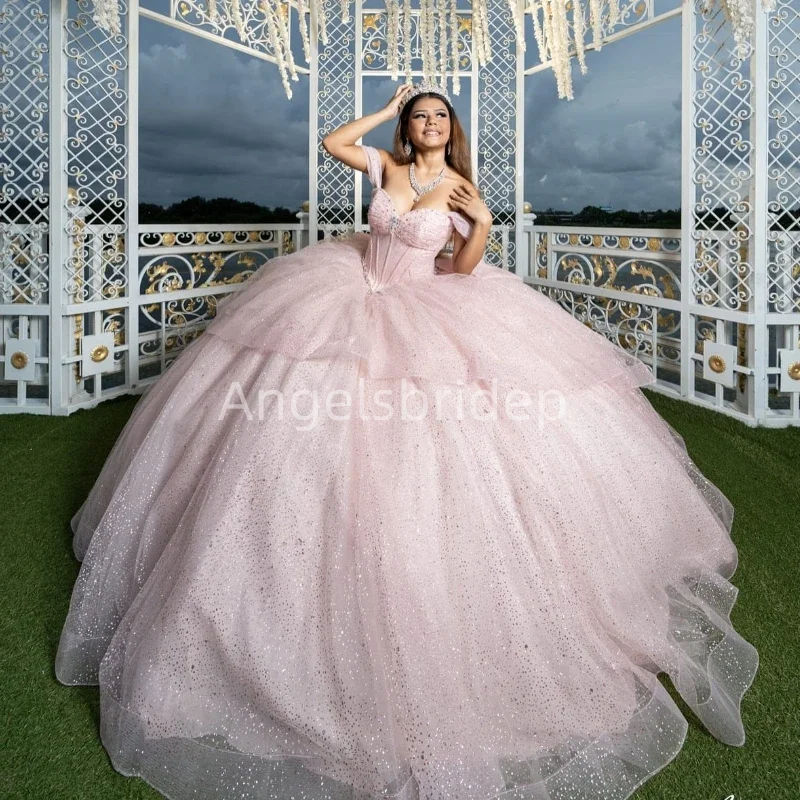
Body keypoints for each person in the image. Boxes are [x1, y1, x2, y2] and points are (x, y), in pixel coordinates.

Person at [56, 80, 758, 800]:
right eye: (418, 116)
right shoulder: (385, 169)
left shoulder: (456, 188)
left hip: (428, 310)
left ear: (451, 131)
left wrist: (480, 221)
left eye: (436, 116)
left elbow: (460, 269)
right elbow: (333, 143)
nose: (426, 123)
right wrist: (385, 112)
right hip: (346, 295)